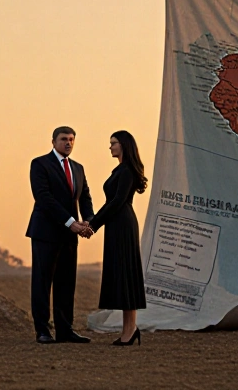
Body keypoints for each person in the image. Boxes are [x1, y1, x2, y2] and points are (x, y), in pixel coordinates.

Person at [25, 126, 95, 344]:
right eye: (64, 139)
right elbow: (44, 198)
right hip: (45, 233)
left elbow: (85, 196)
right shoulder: (39, 164)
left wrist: (89, 222)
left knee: (66, 284)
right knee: (42, 283)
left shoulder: (78, 168)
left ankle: (65, 330)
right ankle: (43, 331)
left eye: (72, 139)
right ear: (53, 141)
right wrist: (70, 223)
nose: (69, 143)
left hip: (69, 236)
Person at [89, 130, 148, 346]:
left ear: (123, 145)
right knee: (123, 274)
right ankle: (129, 330)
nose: (110, 147)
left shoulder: (126, 171)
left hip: (122, 224)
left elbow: (116, 202)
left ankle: (130, 330)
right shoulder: (120, 170)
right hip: (116, 224)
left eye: (113, 143)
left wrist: (93, 224)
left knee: (126, 274)